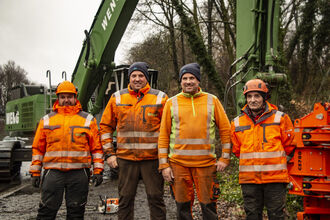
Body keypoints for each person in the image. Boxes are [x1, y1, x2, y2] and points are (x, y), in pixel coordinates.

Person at [158, 63, 232, 220]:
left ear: (198, 81)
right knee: (182, 207)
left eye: (192, 78)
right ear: (180, 81)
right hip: (178, 164)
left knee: (209, 206)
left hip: (205, 164)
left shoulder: (212, 101)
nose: (188, 81)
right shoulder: (172, 102)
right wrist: (164, 165)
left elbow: (225, 130)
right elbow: (163, 135)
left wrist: (225, 158)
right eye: (184, 78)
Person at [100, 62, 168, 220]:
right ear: (129, 78)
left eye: (141, 75)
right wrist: (109, 154)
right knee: (125, 200)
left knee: (156, 199)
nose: (137, 79)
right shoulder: (117, 98)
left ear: (146, 77)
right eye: (134, 76)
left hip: (152, 160)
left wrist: (166, 159)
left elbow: (170, 129)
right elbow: (105, 127)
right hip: (126, 159)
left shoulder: (161, 98)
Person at [29, 81, 104, 219]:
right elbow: (38, 149)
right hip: (53, 172)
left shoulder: (88, 120)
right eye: (62, 97)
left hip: (79, 174)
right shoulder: (47, 120)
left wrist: (98, 170)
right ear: (58, 98)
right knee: (46, 212)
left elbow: (96, 149)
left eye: (69, 96)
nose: (66, 100)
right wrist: (35, 172)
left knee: (76, 213)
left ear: (75, 98)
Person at [231, 79, 295, 220]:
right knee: (252, 215)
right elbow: (237, 150)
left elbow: (290, 146)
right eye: (249, 96)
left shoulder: (281, 118)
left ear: (264, 97)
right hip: (249, 180)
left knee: (276, 216)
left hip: (275, 180)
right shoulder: (236, 122)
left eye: (257, 96)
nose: (253, 100)